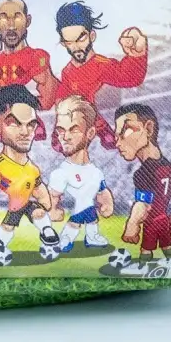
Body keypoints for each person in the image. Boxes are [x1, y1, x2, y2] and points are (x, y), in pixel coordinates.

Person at [0, 84, 59, 265]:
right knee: (12, 223)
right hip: (16, 205)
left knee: (38, 212)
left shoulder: (32, 169)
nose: (25, 132)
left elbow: (39, 189)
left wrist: (48, 204)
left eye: (31, 125)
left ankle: (47, 236)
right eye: (14, 123)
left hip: (23, 203)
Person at [52, 1, 148, 149]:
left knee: (85, 105)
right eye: (69, 42)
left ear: (92, 36)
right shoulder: (67, 70)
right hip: (74, 109)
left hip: (89, 114)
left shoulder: (100, 64)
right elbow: (64, 93)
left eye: (81, 39)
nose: (76, 47)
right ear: (63, 43)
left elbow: (128, 77)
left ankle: (102, 129)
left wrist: (137, 55)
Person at [114, 102, 171, 262]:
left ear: (148, 129)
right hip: (165, 220)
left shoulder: (143, 173)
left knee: (146, 250)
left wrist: (132, 224)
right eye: (116, 136)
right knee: (168, 247)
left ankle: (144, 267)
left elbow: (144, 205)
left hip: (151, 222)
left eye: (125, 131)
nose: (118, 143)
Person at [48, 96, 114, 253]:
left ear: (90, 133)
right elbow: (53, 195)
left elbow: (102, 190)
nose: (65, 137)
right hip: (83, 205)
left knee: (88, 212)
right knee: (83, 211)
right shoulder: (62, 172)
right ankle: (69, 237)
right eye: (60, 130)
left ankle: (88, 237)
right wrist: (52, 210)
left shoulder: (95, 172)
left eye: (74, 129)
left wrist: (107, 203)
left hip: (87, 203)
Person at [0, 0, 57, 111]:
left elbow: (47, 101)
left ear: (27, 21)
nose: (11, 26)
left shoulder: (37, 58)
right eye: (3, 18)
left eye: (17, 17)